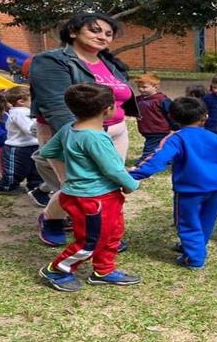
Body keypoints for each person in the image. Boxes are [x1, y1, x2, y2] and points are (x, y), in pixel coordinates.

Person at [30, 12, 139, 246]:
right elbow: (56, 106)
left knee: (107, 185)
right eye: (95, 30)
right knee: (76, 186)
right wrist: (82, 139)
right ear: (73, 32)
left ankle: (103, 229)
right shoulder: (51, 61)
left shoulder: (108, 63)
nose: (103, 37)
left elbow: (122, 95)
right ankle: (51, 219)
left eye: (108, 34)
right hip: (71, 134)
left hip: (114, 132)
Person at [37, 84, 141, 292]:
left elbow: (48, 150)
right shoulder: (96, 138)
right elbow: (114, 170)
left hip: (94, 196)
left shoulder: (69, 128)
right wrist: (131, 185)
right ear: (108, 110)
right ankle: (56, 269)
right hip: (94, 200)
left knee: (112, 233)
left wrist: (67, 175)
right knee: (90, 241)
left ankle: (104, 270)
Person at [130, 97, 217, 270]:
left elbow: (158, 159)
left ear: (172, 117)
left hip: (189, 189)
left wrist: (134, 174)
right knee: (207, 220)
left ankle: (194, 258)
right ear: (205, 117)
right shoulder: (214, 137)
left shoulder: (176, 138)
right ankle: (193, 249)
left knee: (187, 222)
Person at [0, 85, 43, 195]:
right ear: (21, 101)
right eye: (32, 99)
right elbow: (29, 129)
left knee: (35, 169)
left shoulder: (26, 111)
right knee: (15, 171)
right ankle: (5, 187)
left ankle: (35, 185)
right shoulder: (19, 112)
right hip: (18, 148)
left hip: (32, 145)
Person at [133, 73, 175, 164]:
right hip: (147, 130)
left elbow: (172, 114)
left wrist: (174, 127)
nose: (141, 89)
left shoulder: (161, 100)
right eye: (139, 87)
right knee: (161, 147)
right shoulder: (138, 100)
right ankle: (168, 160)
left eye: (144, 87)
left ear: (155, 87)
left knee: (150, 148)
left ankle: (144, 162)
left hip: (159, 130)